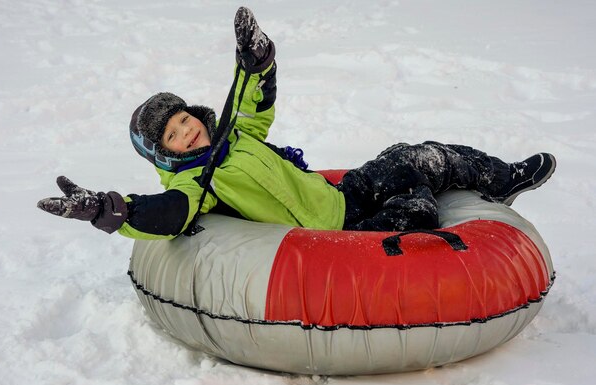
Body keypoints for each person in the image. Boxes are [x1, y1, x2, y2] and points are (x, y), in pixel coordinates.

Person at [37, 7, 556, 238]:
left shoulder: (232, 137)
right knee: (416, 208)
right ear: (165, 154)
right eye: (172, 136)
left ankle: (501, 179)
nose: (187, 131)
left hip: (340, 195)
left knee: (414, 155)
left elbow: (249, 103)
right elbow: (166, 214)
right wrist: (109, 210)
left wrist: (256, 61)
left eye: (183, 119)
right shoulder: (197, 182)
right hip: (334, 231)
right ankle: (416, 214)